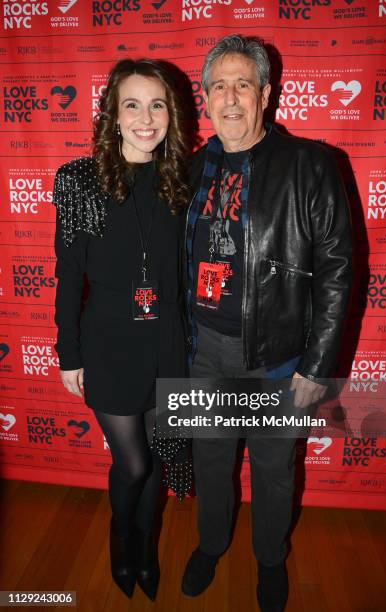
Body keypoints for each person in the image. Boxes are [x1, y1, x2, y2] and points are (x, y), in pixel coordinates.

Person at [181, 35, 352, 611]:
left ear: (266, 94)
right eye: (219, 86)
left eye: (243, 84)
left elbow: (337, 271)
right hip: (204, 351)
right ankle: (209, 545)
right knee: (210, 462)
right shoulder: (188, 168)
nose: (230, 98)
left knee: (276, 471)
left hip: (278, 358)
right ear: (205, 98)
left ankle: (271, 560)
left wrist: (316, 367)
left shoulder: (311, 165)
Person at [52, 58, 191, 600]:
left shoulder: (182, 178)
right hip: (108, 341)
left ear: (170, 115)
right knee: (132, 463)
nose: (145, 117)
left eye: (157, 104)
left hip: (168, 340)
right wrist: (69, 353)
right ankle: (120, 537)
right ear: (112, 114)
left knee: (158, 453)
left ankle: (146, 547)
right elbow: (68, 277)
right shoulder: (79, 180)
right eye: (131, 104)